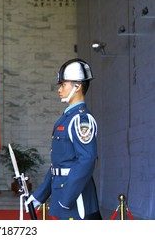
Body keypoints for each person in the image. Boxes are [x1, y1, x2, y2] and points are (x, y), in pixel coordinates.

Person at [26, 58, 102, 220]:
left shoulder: (81, 120)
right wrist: (40, 196)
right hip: (64, 194)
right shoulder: (66, 119)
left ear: (77, 86)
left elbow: (87, 161)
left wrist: (67, 198)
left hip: (76, 198)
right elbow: (58, 167)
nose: (59, 89)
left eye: (63, 84)